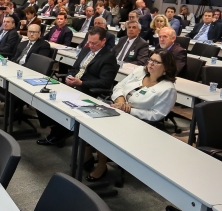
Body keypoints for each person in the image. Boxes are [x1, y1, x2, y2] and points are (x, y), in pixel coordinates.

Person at [86, 50, 178, 181]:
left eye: (156, 62)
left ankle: (101, 166)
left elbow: (156, 115)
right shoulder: (140, 71)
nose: (151, 63)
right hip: (117, 108)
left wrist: (130, 110)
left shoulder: (167, 89)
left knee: (103, 129)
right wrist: (121, 100)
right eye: (150, 60)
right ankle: (88, 154)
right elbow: (119, 86)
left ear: (167, 67)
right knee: (88, 119)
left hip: (138, 123)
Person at [37, 27, 119, 147]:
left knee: (60, 104)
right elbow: (75, 69)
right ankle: (56, 128)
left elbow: (105, 82)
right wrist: (69, 76)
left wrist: (81, 83)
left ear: (103, 41)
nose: (90, 45)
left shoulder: (108, 57)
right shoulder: (86, 50)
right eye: (89, 42)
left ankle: (61, 132)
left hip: (87, 90)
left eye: (94, 43)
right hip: (73, 85)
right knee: (42, 97)